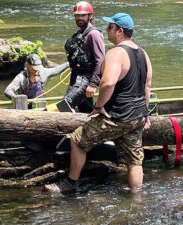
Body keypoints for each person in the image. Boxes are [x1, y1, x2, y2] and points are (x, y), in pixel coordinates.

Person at [45, 12, 152, 193]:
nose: (106, 31)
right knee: (134, 160)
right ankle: (136, 196)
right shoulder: (143, 53)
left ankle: (70, 183)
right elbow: (147, 86)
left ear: (120, 31)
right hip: (137, 116)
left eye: (110, 27)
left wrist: (99, 106)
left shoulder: (116, 53)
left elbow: (108, 83)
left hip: (117, 115)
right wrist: (145, 112)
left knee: (78, 140)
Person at [54, 1, 105, 113]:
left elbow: (100, 60)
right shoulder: (79, 34)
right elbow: (76, 62)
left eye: (82, 15)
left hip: (87, 79)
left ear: (90, 16)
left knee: (63, 106)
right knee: (85, 111)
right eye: (77, 15)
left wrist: (93, 84)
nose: (79, 18)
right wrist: (71, 83)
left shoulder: (94, 34)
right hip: (77, 79)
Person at [4, 54, 69, 100]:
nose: (36, 70)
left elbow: (56, 70)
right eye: (34, 68)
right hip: (26, 108)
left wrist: (69, 63)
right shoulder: (21, 78)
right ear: (27, 65)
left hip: (41, 105)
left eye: (37, 68)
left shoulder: (42, 72)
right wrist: (16, 99)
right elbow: (8, 91)